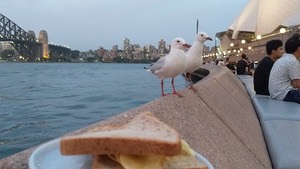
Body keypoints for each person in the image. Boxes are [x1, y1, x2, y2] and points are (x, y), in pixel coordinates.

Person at [269, 33, 300, 104]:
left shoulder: (283, 59)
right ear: (299, 49)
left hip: (276, 94)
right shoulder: (293, 61)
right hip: (284, 95)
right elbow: (297, 84)